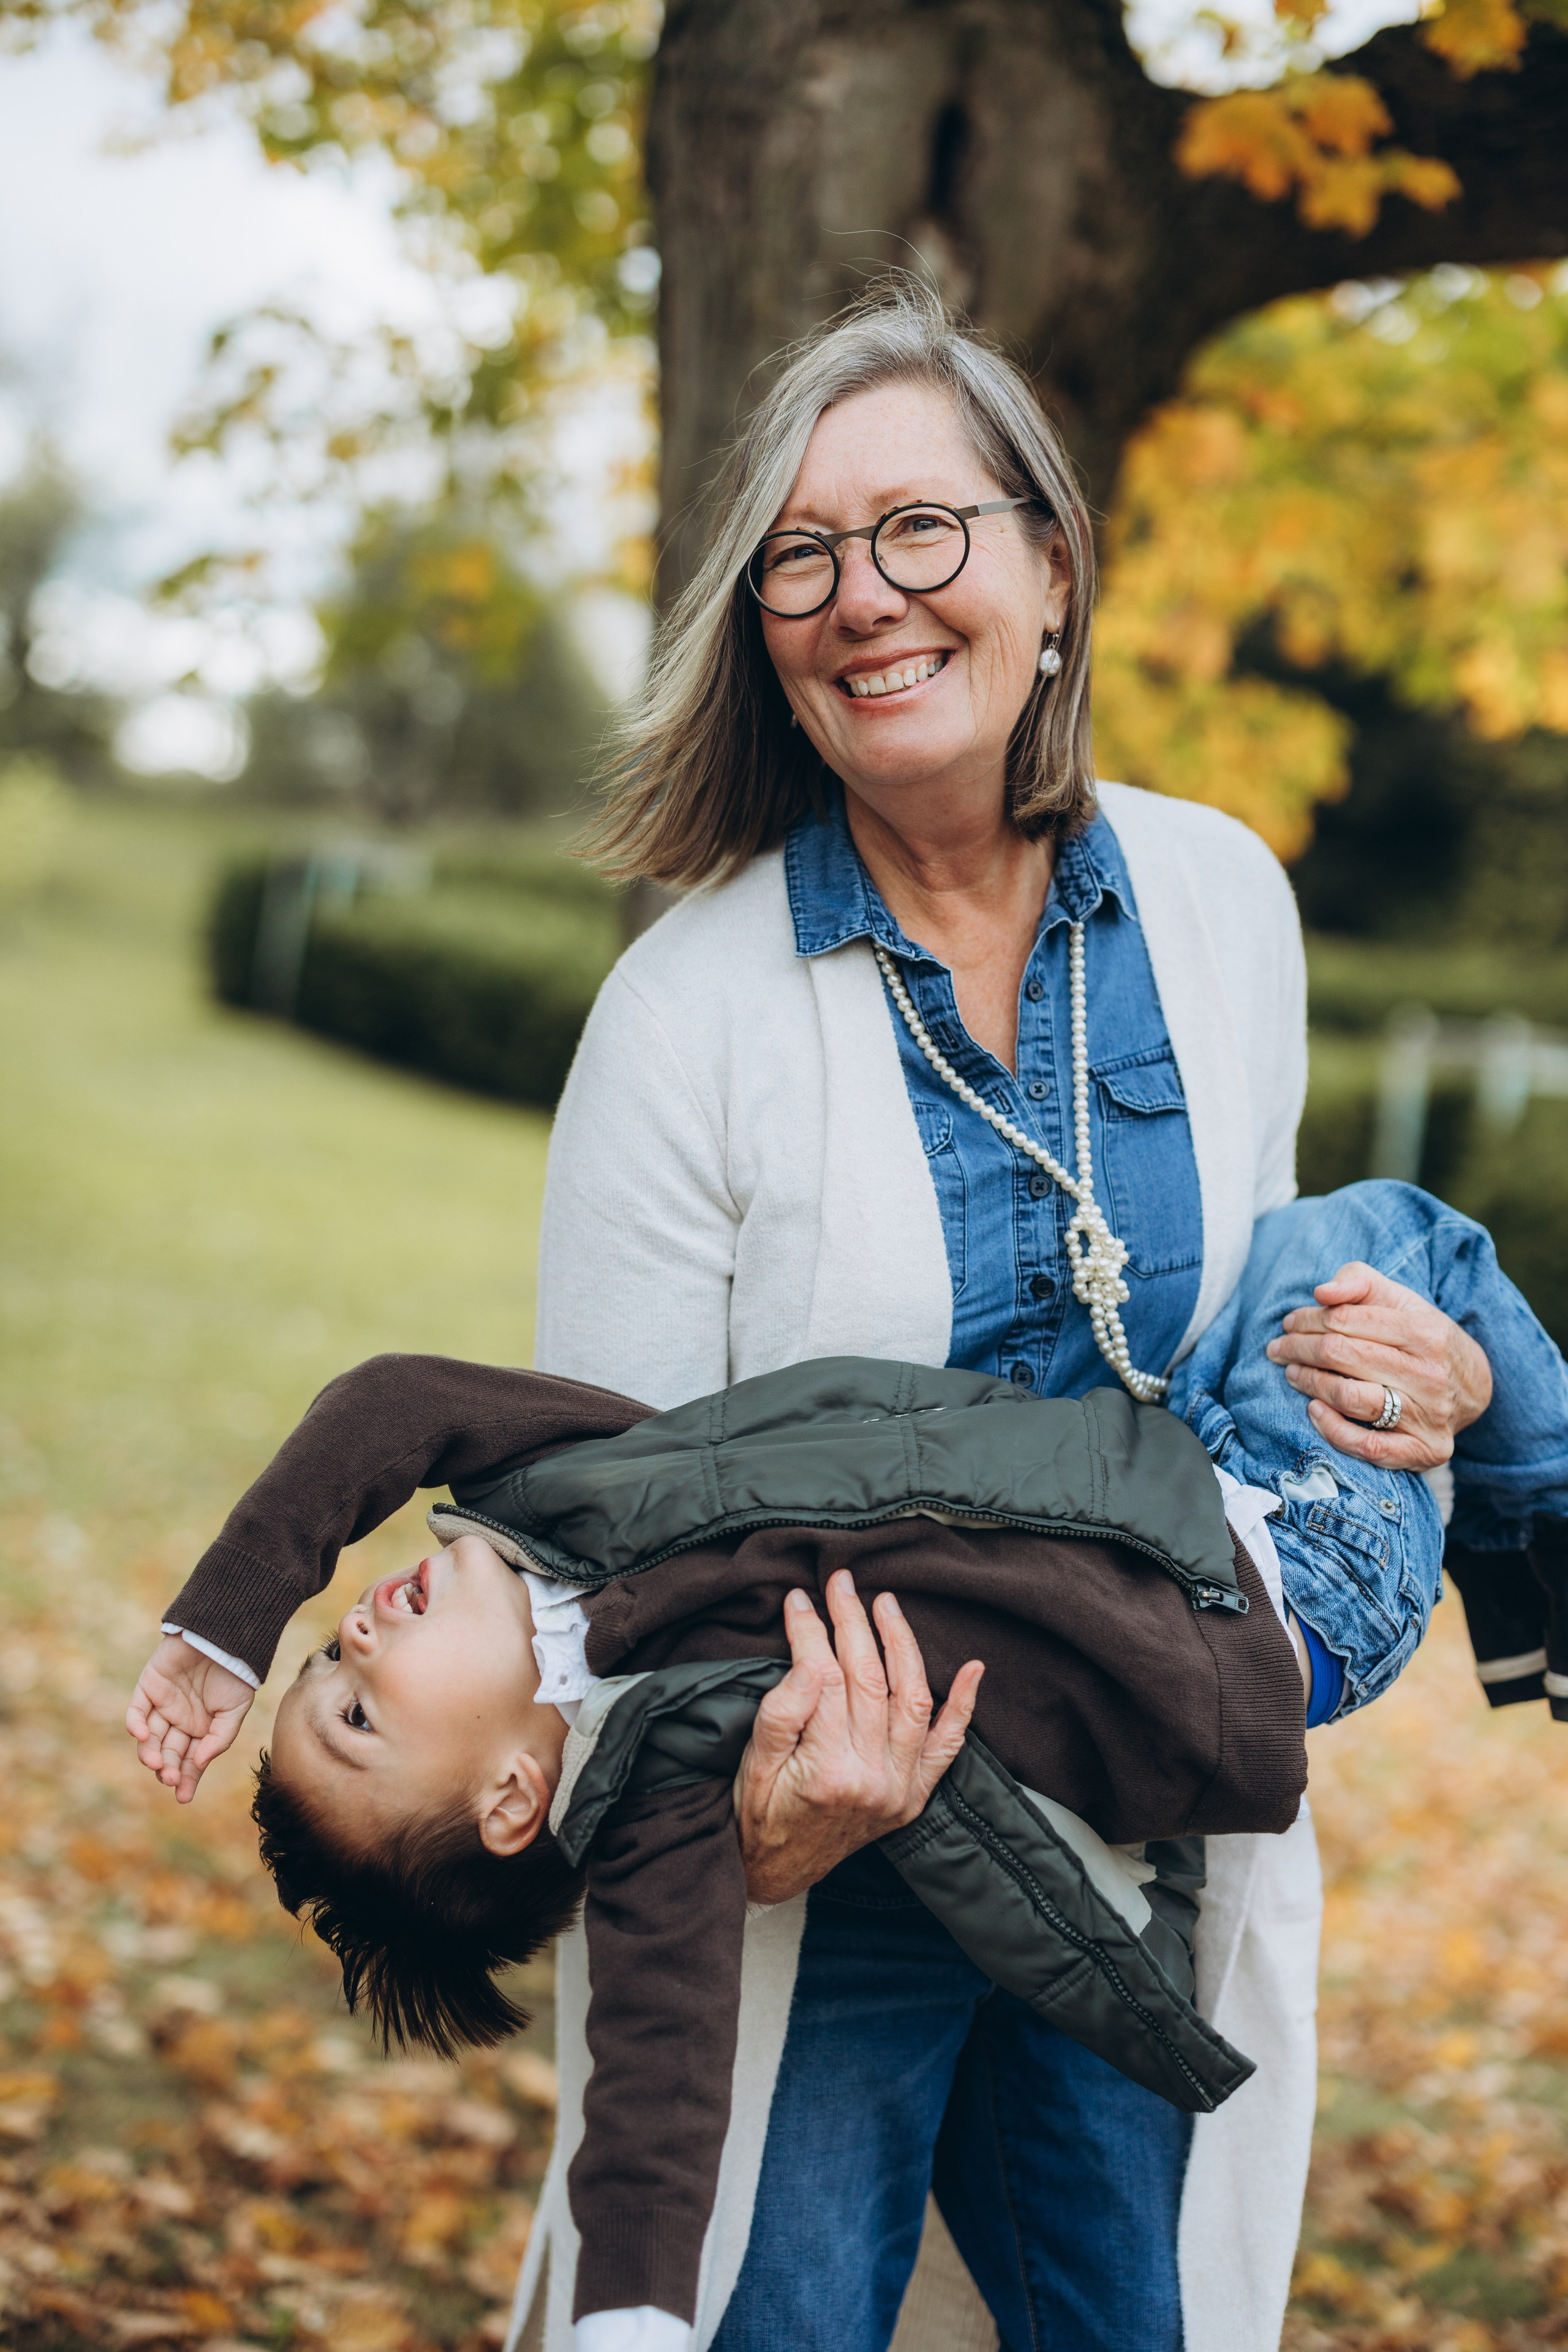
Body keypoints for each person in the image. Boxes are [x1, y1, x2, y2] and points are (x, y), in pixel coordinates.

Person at [517, 276, 1496, 2352]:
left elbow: (1256, 1344)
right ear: (768, 637)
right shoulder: (682, 1021)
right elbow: (583, 1560)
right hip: (819, 1883)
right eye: (803, 553)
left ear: (1053, 567)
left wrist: (1428, 1381)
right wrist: (762, 1829)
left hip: (1129, 1858)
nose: (861, 593)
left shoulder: (1227, 900)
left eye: (919, 529)